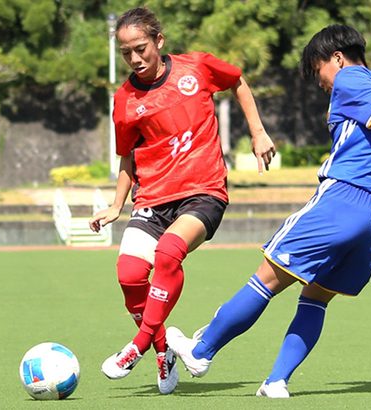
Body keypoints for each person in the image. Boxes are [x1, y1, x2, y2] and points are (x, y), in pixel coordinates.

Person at [166, 24, 371, 398]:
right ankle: (276, 382)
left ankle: (200, 351)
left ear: (337, 58)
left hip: (344, 202)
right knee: (316, 298)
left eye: (318, 69)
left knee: (266, 279)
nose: (320, 82)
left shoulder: (350, 79)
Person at [88, 7, 275, 395]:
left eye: (141, 48)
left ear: (159, 41)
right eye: (126, 53)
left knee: (169, 253)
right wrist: (117, 204)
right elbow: (127, 156)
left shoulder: (197, 69)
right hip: (154, 197)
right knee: (129, 275)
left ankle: (137, 347)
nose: (135, 59)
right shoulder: (124, 100)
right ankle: (162, 350)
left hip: (203, 192)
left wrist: (257, 133)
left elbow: (237, 81)